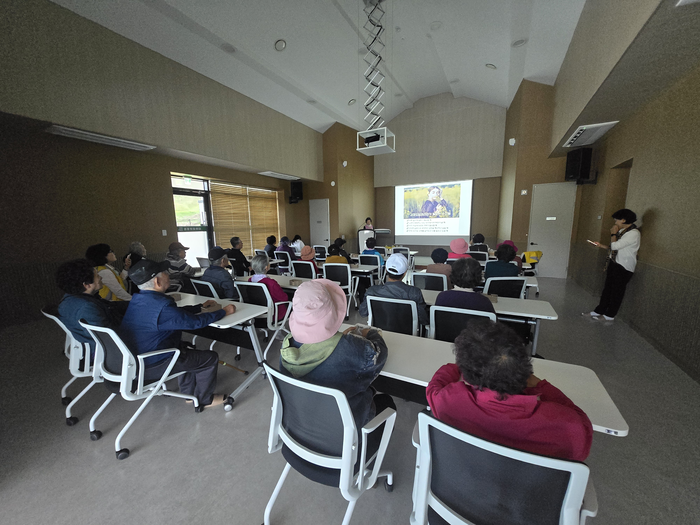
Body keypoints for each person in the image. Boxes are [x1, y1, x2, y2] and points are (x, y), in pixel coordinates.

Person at [427, 319, 593, 461]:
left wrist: (460, 365)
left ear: (468, 378)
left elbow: (433, 388)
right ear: (524, 366)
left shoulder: (450, 402)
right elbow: (583, 426)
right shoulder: (567, 427)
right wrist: (541, 385)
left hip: (466, 483)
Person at [120, 259, 236, 410]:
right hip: (154, 363)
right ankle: (205, 400)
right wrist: (223, 312)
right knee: (209, 358)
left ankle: (189, 395)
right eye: (165, 273)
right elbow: (194, 323)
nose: (168, 275)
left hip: (139, 358)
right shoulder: (162, 306)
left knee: (186, 350)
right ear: (157, 282)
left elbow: (177, 315)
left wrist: (199, 307)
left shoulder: (139, 299)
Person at [280, 279, 394, 431]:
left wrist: (340, 338)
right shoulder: (350, 348)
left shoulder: (286, 347)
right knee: (387, 402)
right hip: (345, 433)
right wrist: (371, 334)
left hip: (299, 426)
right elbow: (380, 354)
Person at [56, 259, 127, 358]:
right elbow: (109, 338)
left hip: (95, 345)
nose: (100, 277)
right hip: (105, 353)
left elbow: (110, 306)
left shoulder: (70, 299)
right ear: (87, 285)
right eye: (97, 275)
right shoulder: (87, 308)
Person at [586, 208, 641, 321]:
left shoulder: (633, 233)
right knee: (607, 289)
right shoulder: (623, 232)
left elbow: (615, 246)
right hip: (614, 262)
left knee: (617, 291)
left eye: (617, 220)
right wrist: (600, 245)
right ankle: (599, 310)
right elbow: (613, 247)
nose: (615, 222)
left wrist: (613, 233)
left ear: (623, 220)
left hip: (623, 266)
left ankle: (610, 315)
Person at [360, 253, 429, 326]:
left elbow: (363, 312)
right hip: (406, 332)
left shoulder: (372, 291)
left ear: (386, 270)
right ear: (405, 273)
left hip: (379, 331)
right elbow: (423, 320)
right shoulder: (415, 292)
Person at [249, 254, 289, 321]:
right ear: (266, 267)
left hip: (256, 314)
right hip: (275, 314)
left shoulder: (250, 281)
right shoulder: (271, 283)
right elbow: (284, 298)